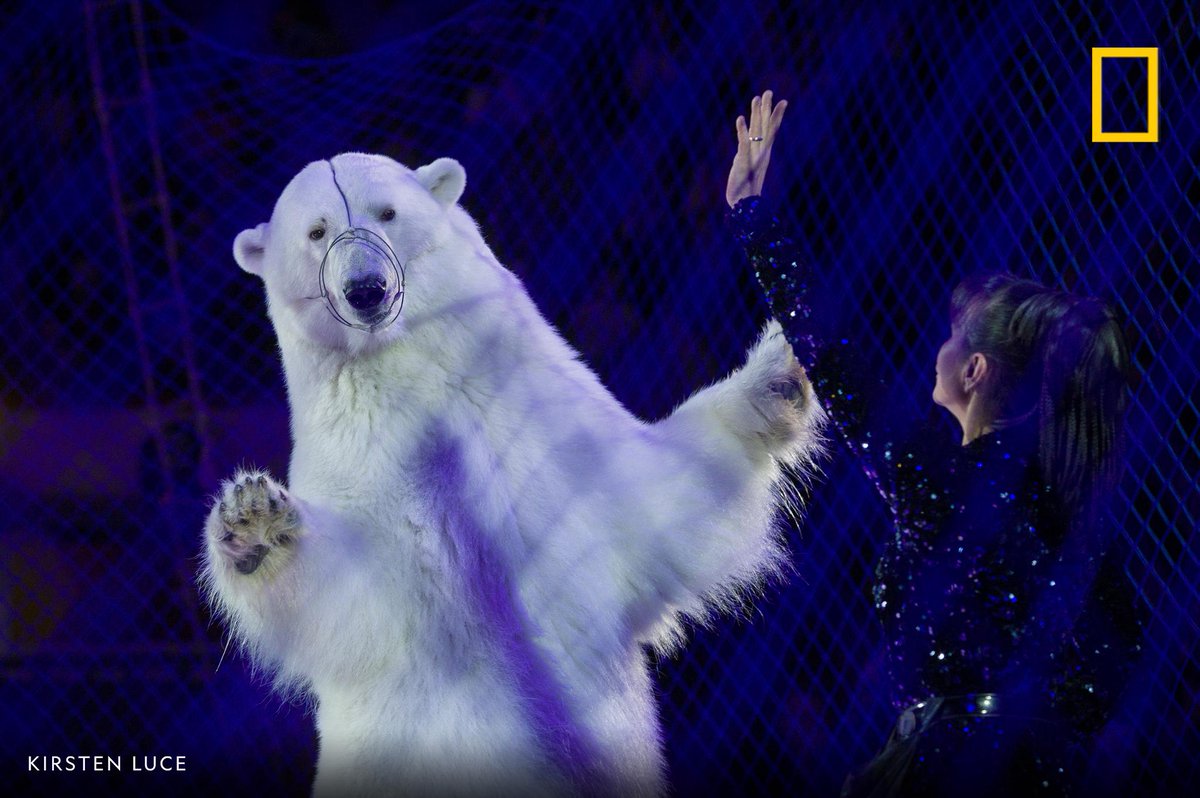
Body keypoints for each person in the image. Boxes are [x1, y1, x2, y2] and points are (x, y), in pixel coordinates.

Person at [724, 92, 1143, 796]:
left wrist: (751, 217)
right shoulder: (1070, 504)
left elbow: (838, 360)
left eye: (955, 337)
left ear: (975, 371)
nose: (939, 349)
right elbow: (1119, 657)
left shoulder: (948, 476)